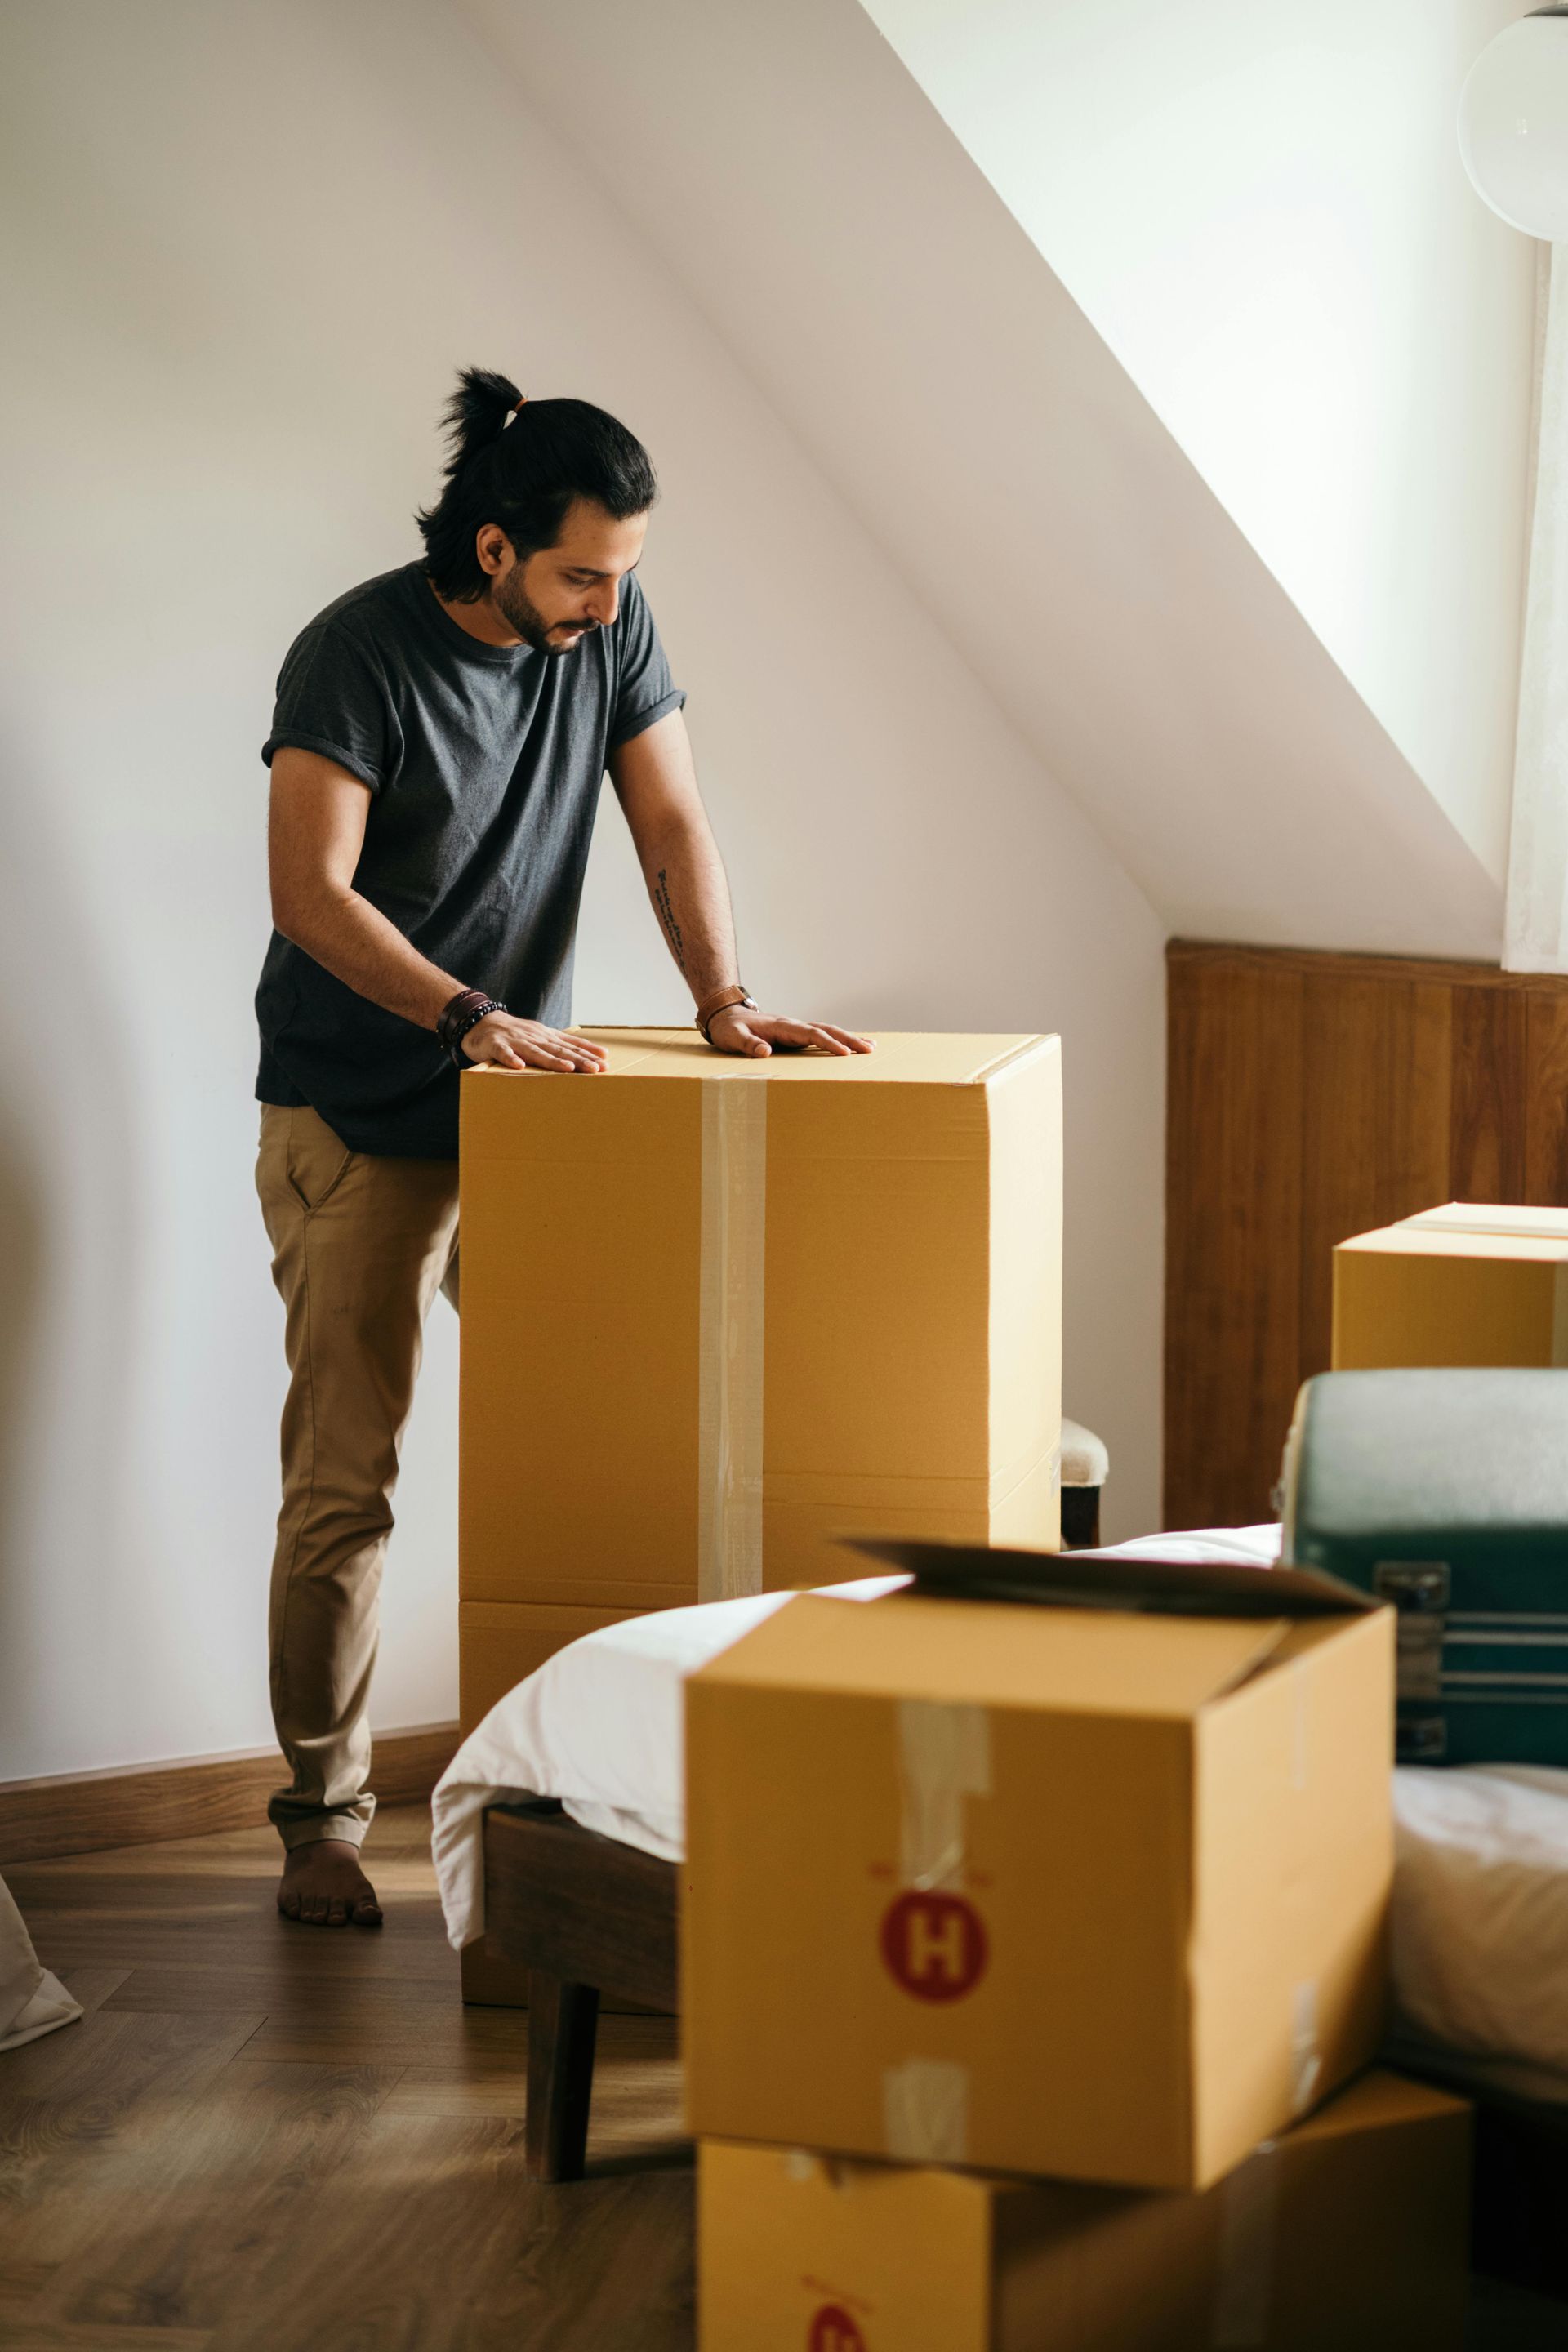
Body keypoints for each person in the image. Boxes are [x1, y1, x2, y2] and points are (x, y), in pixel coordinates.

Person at [256, 368, 871, 1927]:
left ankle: (606, 1791)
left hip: (534, 1114)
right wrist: (467, 1014)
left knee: (615, 1443)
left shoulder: (614, 630)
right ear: (492, 552)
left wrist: (724, 1001)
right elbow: (311, 895)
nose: (608, 604)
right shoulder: (356, 653)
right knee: (349, 1484)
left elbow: (670, 822)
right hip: (360, 1115)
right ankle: (323, 1822)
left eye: (626, 574)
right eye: (582, 574)